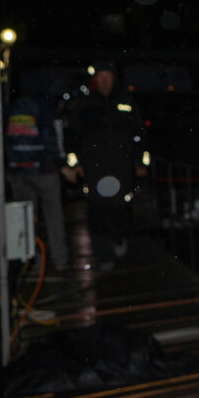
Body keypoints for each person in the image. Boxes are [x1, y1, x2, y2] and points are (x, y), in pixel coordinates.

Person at [62, 60, 146, 270]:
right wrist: (75, 163)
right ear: (95, 79)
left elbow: (138, 134)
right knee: (97, 211)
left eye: (108, 76)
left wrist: (140, 161)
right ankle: (104, 255)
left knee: (121, 208)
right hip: (94, 169)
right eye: (100, 76)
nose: (104, 81)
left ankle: (120, 239)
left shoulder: (126, 101)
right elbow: (72, 136)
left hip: (122, 167)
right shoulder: (84, 104)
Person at [5, 76, 70, 271]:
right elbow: (52, 137)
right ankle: (60, 259)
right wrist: (62, 164)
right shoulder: (45, 106)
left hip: (17, 171)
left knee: (24, 219)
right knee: (53, 216)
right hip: (44, 171)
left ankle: (28, 262)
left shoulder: (10, 108)